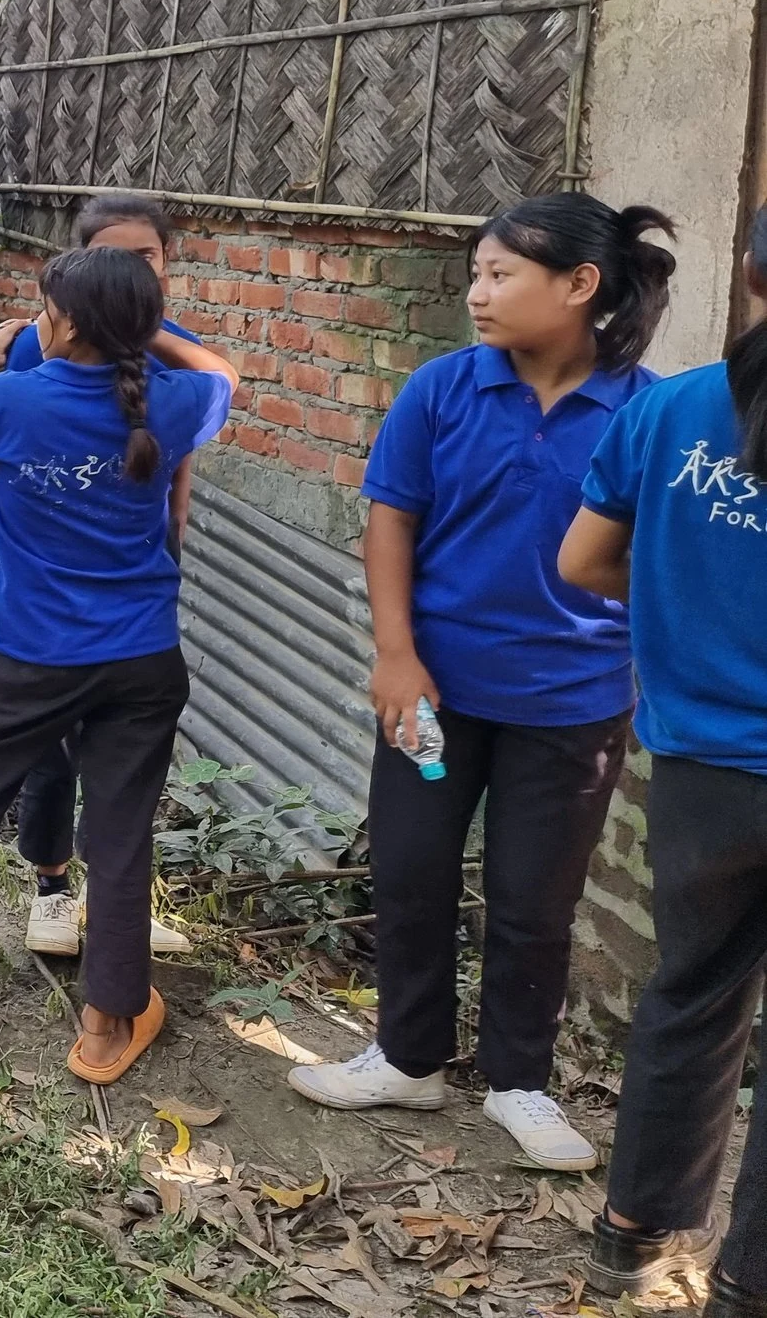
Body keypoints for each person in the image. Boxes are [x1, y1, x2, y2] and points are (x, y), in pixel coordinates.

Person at [286, 195, 675, 1172]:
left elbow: (659, 554)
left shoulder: (644, 411)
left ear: (579, 285)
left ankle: (518, 1082)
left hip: (572, 707)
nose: (478, 293)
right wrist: (393, 652)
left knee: (533, 900)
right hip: (432, 699)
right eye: (475, 274)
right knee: (412, 870)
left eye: (501, 274)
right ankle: (408, 1056)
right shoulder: (443, 390)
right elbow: (390, 521)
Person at [0, 245, 238, 1082]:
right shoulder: (170, 401)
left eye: (48, 308)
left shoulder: (9, 396)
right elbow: (225, 376)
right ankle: (105, 1031)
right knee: (122, 832)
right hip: (142, 659)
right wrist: (155, 334)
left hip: (31, 657)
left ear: (59, 322)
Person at [562, 207, 767, 1311]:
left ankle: (632, 1235)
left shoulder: (675, 411)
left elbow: (584, 560)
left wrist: (680, 620)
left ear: (746, 271)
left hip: (697, 765)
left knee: (691, 991)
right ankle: (746, 1281)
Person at [4, 193, 203, 961]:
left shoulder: (174, 355)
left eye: (146, 256)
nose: (132, 268)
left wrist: (173, 546)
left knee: (123, 756)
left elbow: (181, 463)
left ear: (166, 265)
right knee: (50, 744)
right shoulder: (37, 351)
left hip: (138, 576)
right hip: (51, 590)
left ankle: (115, 901)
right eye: (114, 254)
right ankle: (53, 890)